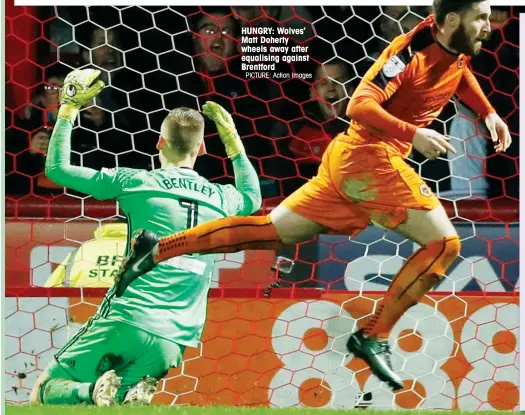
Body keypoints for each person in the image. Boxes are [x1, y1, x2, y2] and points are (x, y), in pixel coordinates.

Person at [116, 0, 512, 391]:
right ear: (453, 20)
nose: (489, 25)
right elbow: (359, 104)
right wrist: (414, 134)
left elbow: (458, 74)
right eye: (480, 17)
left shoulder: (452, 45)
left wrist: (488, 112)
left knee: (269, 232)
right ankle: (374, 334)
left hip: (349, 161)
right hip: (371, 159)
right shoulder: (406, 52)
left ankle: (158, 248)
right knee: (444, 243)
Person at [30, 68, 261, 406]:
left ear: (159, 142)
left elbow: (58, 170)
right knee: (118, 405)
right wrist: (235, 145)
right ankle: (123, 395)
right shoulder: (221, 198)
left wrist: (67, 109)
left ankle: (90, 391)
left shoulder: (137, 181)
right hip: (176, 337)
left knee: (45, 392)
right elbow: (253, 198)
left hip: (127, 319)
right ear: (202, 149)